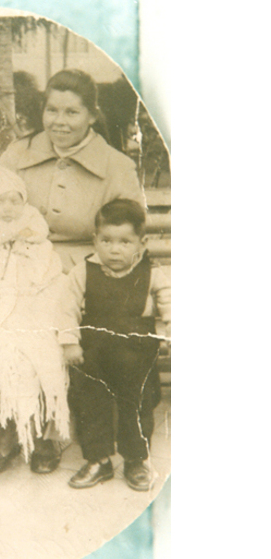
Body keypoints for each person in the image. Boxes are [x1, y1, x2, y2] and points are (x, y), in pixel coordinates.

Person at [0, 69, 146, 475]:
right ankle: (12, 424)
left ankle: (48, 432)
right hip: (11, 269)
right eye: (52, 110)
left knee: (49, 326)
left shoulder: (117, 166)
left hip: (81, 273)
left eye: (72, 112)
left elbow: (128, 231)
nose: (60, 121)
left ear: (92, 115)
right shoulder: (18, 153)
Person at [61, 199, 170, 491]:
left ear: (141, 242)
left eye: (125, 241)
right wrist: (70, 342)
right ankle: (98, 460)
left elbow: (171, 302)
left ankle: (135, 459)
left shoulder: (153, 273)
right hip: (92, 353)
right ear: (95, 239)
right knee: (90, 404)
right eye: (107, 240)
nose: (115, 248)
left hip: (137, 354)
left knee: (137, 406)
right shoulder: (82, 272)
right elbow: (66, 309)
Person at [0, 165, 70, 461]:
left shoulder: (33, 230)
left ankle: (43, 431)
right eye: (0, 201)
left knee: (43, 347)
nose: (9, 208)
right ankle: (11, 425)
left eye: (15, 200)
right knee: (1, 349)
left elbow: (47, 269)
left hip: (34, 303)